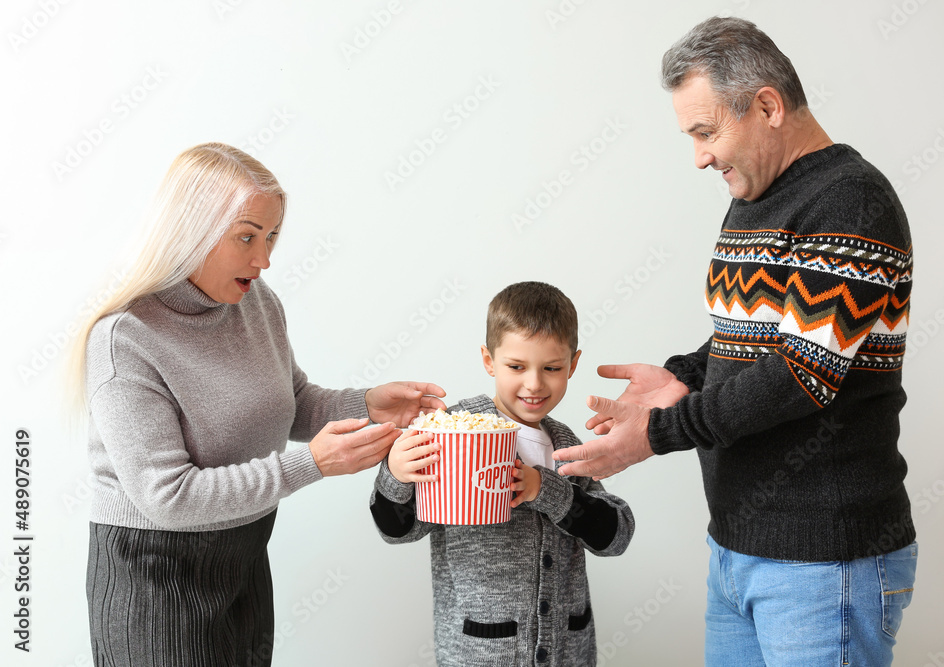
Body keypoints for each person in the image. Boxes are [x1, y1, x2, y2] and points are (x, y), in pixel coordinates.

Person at [552, 17, 917, 666]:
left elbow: (801, 372)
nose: (699, 156)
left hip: (822, 558)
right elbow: (752, 339)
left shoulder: (850, 202)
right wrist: (686, 375)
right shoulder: (753, 195)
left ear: (768, 106)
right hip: (738, 546)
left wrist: (658, 431)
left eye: (705, 131)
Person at [68, 142, 446, 666]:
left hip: (244, 559)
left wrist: (367, 404)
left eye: (271, 237)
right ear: (190, 231)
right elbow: (167, 496)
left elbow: (290, 401)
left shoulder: (256, 302)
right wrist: (314, 464)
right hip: (153, 575)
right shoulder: (124, 338)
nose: (264, 260)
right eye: (247, 237)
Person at [369, 281, 634, 667]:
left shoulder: (565, 445)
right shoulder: (452, 431)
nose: (534, 383)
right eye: (516, 366)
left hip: (566, 651)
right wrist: (395, 474)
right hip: (481, 651)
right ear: (489, 360)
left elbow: (616, 536)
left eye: (552, 368)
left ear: (573, 365)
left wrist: (546, 489)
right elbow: (397, 531)